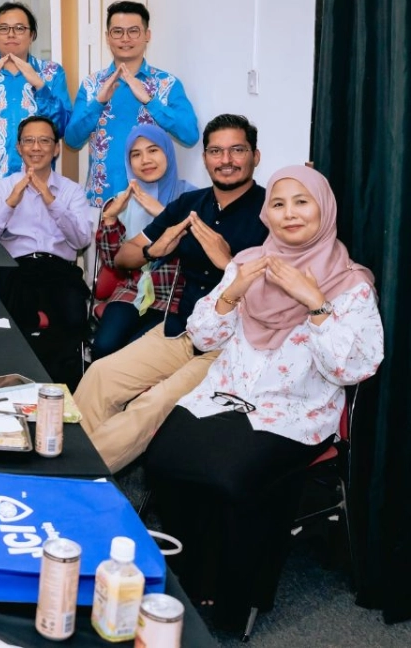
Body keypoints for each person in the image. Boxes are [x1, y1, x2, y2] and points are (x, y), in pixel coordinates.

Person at [145, 166, 382, 633]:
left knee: (231, 473)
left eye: (302, 202)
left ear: (324, 209)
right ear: (266, 214)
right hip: (225, 394)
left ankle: (232, 602)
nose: (289, 213)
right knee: (162, 459)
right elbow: (201, 336)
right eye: (278, 203)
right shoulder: (249, 261)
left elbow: (354, 368)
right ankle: (187, 583)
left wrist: (315, 304)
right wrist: (231, 292)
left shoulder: (349, 283)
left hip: (296, 411)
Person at [75, 114, 270, 471]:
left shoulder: (272, 213)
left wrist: (228, 265)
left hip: (232, 344)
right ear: (206, 157)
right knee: (100, 375)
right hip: (181, 329)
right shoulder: (189, 205)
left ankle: (77, 477)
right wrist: (154, 249)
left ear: (255, 156)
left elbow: (275, 303)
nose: (226, 160)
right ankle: (63, 461)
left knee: (151, 404)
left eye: (237, 150)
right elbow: (123, 256)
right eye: (216, 151)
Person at [0, 116, 91, 387]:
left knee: (73, 316)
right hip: (16, 268)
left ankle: (57, 384)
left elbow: (81, 239)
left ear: (56, 148)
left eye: (44, 141)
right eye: (29, 140)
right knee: (13, 315)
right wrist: (11, 202)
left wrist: (51, 200)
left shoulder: (72, 192)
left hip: (59, 269)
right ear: (19, 147)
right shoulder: (2, 187)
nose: (36, 147)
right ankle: (11, 380)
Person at [65, 1, 199, 207]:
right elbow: (72, 140)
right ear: (107, 37)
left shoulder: (167, 84)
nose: (125, 39)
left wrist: (150, 101)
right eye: (117, 32)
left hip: (155, 202)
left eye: (133, 31)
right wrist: (98, 102)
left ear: (147, 35)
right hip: (103, 201)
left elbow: (190, 135)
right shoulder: (92, 85)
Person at [0, 1, 72, 210]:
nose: (11, 34)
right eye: (3, 28)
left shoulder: (51, 73)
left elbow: (62, 126)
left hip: (38, 182)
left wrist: (40, 86)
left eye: (19, 28)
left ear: (32, 34)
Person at [91, 125, 196, 359]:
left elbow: (198, 255)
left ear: (167, 152)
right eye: (135, 154)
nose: (145, 160)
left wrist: (164, 214)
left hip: (175, 299)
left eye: (153, 150)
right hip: (131, 290)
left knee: (135, 355)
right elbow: (112, 261)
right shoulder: (123, 200)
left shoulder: (192, 198)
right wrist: (109, 218)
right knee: (104, 347)